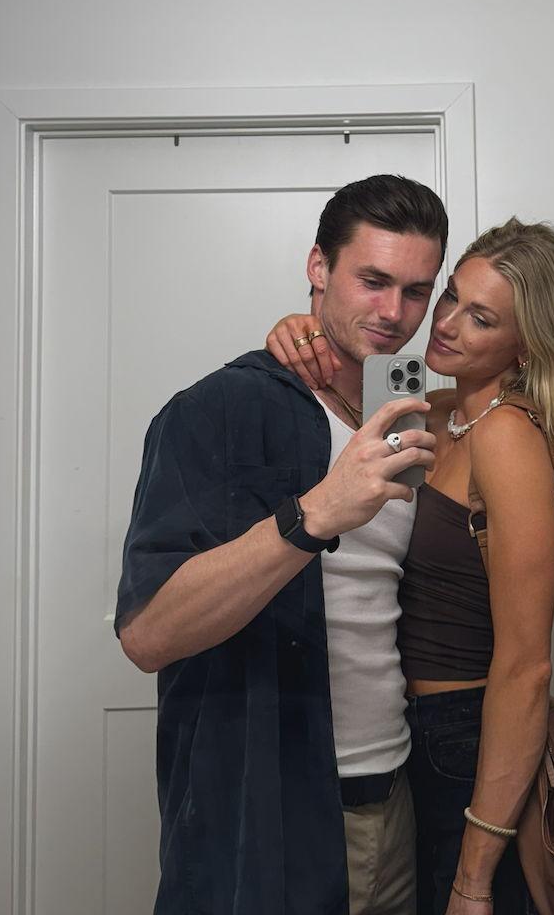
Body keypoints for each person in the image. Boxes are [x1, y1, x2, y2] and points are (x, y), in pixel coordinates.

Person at [266, 217, 554, 915]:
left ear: (527, 345)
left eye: (481, 318)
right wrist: (297, 332)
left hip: (464, 739)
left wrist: (475, 878)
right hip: (412, 735)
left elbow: (525, 665)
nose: (447, 323)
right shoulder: (431, 414)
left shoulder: (509, 437)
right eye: (451, 296)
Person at [115, 174, 448, 915]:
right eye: (372, 281)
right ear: (318, 266)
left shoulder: (410, 417)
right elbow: (148, 634)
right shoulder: (218, 410)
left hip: (399, 799)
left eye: (416, 292)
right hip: (271, 814)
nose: (393, 313)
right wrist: (316, 513)